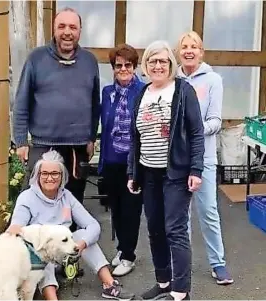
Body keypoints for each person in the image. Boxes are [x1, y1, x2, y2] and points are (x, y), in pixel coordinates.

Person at [127, 40, 205, 301]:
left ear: (171, 64)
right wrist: (132, 173)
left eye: (163, 61)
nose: (158, 66)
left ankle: (180, 292)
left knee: (175, 230)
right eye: (153, 61)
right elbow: (134, 138)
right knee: (155, 229)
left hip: (176, 174)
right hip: (149, 174)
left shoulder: (183, 91)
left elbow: (196, 132)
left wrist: (196, 169)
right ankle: (163, 284)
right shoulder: (142, 93)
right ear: (146, 66)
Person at [7, 150, 135, 301]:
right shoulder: (27, 197)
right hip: (39, 258)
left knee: (83, 236)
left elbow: (93, 225)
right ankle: (51, 297)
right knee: (43, 248)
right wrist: (14, 228)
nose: (49, 178)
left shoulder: (66, 196)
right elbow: (17, 225)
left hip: (65, 252)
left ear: (62, 176)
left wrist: (82, 244)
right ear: (37, 175)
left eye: (55, 173)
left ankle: (110, 285)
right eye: (45, 173)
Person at [12, 7, 100, 227]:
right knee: (38, 205)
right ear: (54, 29)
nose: (67, 32)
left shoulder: (90, 61)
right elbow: (22, 101)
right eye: (62, 26)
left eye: (73, 27)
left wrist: (91, 137)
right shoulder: (36, 58)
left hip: (77, 147)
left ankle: (69, 258)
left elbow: (94, 103)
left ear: (80, 31)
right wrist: (21, 141)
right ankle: (35, 258)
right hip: (44, 145)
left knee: (73, 208)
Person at [176, 31, 233, 285]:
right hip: (177, 159)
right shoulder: (172, 78)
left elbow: (215, 121)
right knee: (181, 215)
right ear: (178, 52)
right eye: (184, 46)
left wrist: (194, 129)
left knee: (208, 211)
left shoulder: (212, 80)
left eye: (194, 46)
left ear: (201, 52)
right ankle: (183, 262)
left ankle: (217, 262)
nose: (189, 50)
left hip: (204, 158)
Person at [98, 44, 145, 277]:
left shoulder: (144, 91)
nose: (123, 69)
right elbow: (105, 127)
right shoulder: (107, 92)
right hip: (111, 159)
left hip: (133, 162)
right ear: (113, 68)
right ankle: (121, 248)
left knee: (131, 210)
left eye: (128, 64)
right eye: (119, 65)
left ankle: (128, 256)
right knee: (115, 208)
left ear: (135, 66)